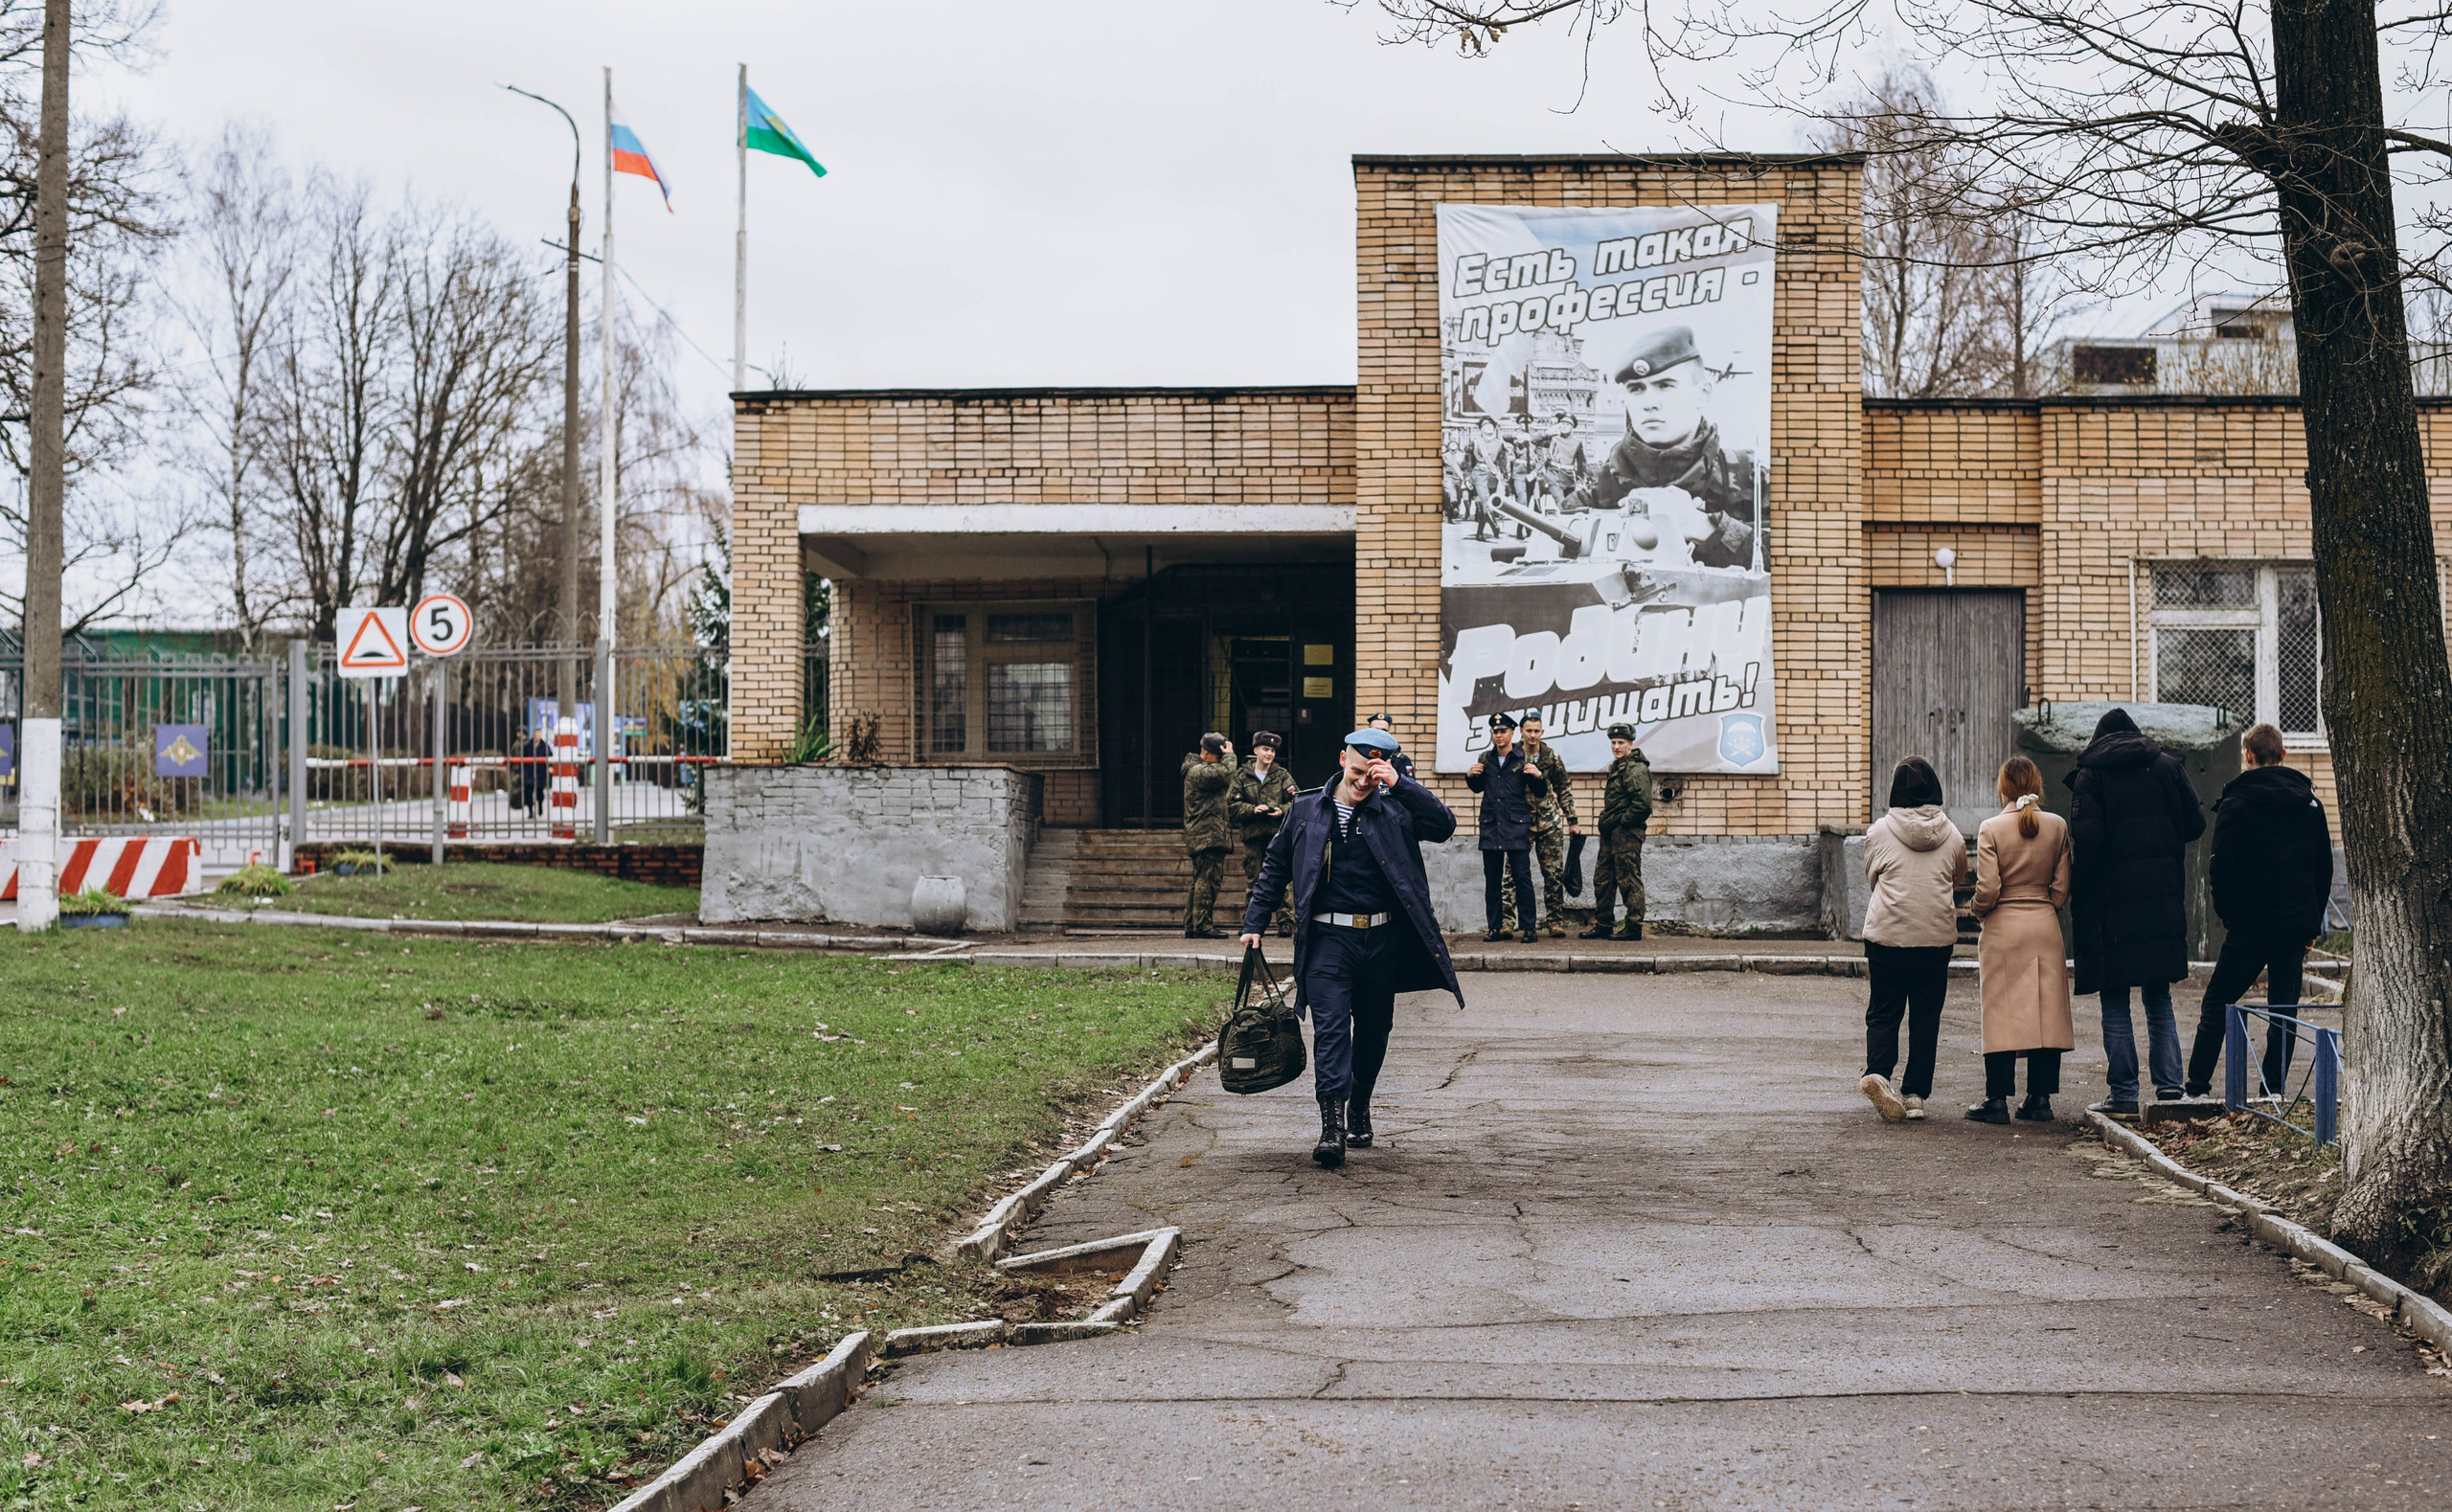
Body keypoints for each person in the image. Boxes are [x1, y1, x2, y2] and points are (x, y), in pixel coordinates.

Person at [1241, 727, 1462, 1167]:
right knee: (1331, 1030)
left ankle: (1359, 1102)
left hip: (1382, 940)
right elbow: (1275, 865)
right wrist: (1255, 922)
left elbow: (1444, 826)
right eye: (1359, 771)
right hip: (1327, 940)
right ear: (1343, 759)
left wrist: (1400, 783)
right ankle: (1332, 1126)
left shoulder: (1396, 808)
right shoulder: (1305, 807)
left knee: (1375, 1029)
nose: (1364, 782)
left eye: (1374, 775)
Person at [2067, 707, 2207, 1117]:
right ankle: (2169, 1090)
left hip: (2111, 906)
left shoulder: (2092, 775)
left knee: (2115, 997)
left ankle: (2124, 1093)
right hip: (2161, 898)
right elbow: (2196, 824)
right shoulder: (2167, 767)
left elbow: (2088, 845)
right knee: (2158, 995)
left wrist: (2080, 889)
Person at [2184, 723, 2335, 1100]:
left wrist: (2229, 915)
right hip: (2292, 926)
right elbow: (2324, 868)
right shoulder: (2310, 804)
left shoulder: (2237, 803)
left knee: (2218, 1002)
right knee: (2283, 1011)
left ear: (2247, 756)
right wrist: (2310, 923)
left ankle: (2198, 1088)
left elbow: (2221, 868)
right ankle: (2273, 1092)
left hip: (2250, 924)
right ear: (2283, 755)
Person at [1581, 325, 1760, 570]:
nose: (1650, 403)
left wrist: (1701, 526)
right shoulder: (1600, 490)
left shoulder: (1750, 478)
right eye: (1636, 389)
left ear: (1704, 394)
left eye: (1665, 385)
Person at [1855, 757, 1967, 1124]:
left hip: (1887, 936)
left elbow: (1873, 877)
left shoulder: (1879, 832)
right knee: (1925, 1017)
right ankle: (1916, 1095)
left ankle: (1880, 1076)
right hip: (1934, 939)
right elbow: (1958, 878)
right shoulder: (1952, 834)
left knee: (1884, 1012)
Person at [1967, 756, 2075, 1123]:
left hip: (2003, 927)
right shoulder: (2057, 826)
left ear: (2004, 788)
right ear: (2037, 784)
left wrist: (1978, 910)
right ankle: (2039, 1100)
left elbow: (1989, 888)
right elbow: (2061, 889)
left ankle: (1996, 1099)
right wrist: (2047, 905)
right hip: (2044, 924)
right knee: (2046, 1013)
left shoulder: (1991, 829)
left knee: (2001, 1011)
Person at [1466, 712, 1547, 943]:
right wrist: (1469, 776)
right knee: (1492, 880)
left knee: (1522, 878)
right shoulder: (1486, 758)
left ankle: (1529, 928)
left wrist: (1539, 776)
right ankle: (1494, 927)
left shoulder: (1523, 759)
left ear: (1512, 733)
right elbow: (1477, 787)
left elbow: (1540, 791)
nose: (1499, 735)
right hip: (1492, 825)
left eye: (1503, 731)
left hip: (1516, 826)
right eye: (1495, 732)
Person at [1499, 713, 1581, 937]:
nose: (1533, 735)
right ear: (1521, 732)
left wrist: (1572, 820)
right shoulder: (1512, 755)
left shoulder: (1551, 757)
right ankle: (1507, 922)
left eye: (1537, 731)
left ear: (1542, 732)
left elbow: (1563, 788)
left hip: (1549, 822)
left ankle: (1554, 921)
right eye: (1529, 731)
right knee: (1511, 875)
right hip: (1519, 823)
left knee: (1553, 874)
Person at [1580, 723, 1653, 940]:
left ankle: (1634, 927)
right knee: (1603, 878)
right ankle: (1604, 924)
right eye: (1613, 743)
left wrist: (1621, 822)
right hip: (1612, 834)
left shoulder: (1635, 769)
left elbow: (1643, 805)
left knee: (1628, 879)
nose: (1616, 746)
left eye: (1621, 742)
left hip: (1626, 834)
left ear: (1631, 744)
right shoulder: (1619, 766)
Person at [1228, 731, 1299, 937]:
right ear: (1256, 750)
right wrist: (1252, 809)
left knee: (1282, 880)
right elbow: (1231, 805)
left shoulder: (1282, 775)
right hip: (1253, 837)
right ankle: (1251, 924)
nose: (1269, 754)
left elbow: (1296, 801)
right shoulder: (1242, 776)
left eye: (1273, 750)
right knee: (1254, 882)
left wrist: (1281, 811)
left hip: (1278, 836)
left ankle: (1286, 922)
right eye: (1266, 749)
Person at [1181, 733, 1236, 939]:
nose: (1222, 761)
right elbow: (1226, 773)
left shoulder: (1198, 769)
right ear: (1206, 754)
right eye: (1218, 757)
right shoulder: (1198, 771)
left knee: (1200, 881)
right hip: (1207, 835)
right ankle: (1202, 925)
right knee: (1208, 881)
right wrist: (1230, 756)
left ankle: (1192, 924)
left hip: (1207, 834)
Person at [514, 723, 553, 817]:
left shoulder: (545, 747)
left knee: (540, 792)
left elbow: (550, 758)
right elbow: (522, 759)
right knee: (528, 792)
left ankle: (539, 805)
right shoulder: (527, 746)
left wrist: (550, 767)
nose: (537, 736)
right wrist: (520, 772)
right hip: (529, 772)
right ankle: (531, 810)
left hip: (540, 772)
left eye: (539, 734)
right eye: (536, 734)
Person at [1367, 714, 1416, 781]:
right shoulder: (1360, 754)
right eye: (1376, 730)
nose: (1381, 734)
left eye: (1384, 730)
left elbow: (1409, 788)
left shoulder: (1401, 760)